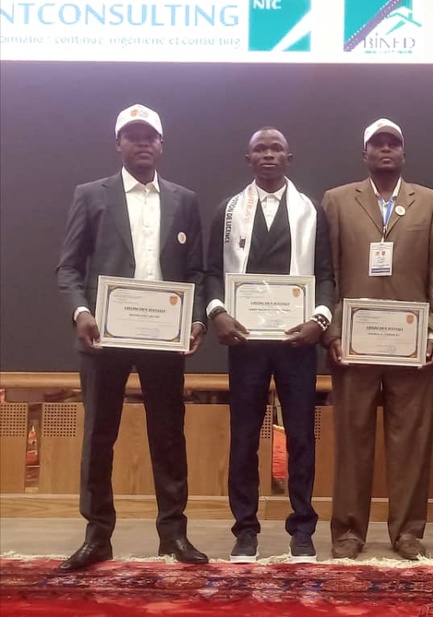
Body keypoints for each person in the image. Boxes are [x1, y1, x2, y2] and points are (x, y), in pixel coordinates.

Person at [56, 104, 208, 571]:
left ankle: (174, 535)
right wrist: (81, 311)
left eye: (150, 137)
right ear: (118, 143)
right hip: (105, 336)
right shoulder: (91, 195)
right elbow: (68, 268)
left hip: (164, 336)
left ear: (161, 145)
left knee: (169, 434)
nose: (142, 143)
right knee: (100, 435)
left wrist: (197, 317)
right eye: (132, 136)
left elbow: (198, 271)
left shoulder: (184, 200)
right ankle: (97, 536)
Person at [204, 127, 335, 563]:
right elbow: (209, 273)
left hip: (297, 341)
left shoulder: (311, 211)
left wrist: (320, 319)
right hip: (244, 341)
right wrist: (217, 311)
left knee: (300, 436)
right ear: (248, 158)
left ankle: (302, 530)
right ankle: (245, 531)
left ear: (289, 156)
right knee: (244, 437)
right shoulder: (227, 211)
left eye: (275, 148)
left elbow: (327, 273)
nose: (267, 154)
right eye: (259, 148)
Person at [321, 119, 433, 560]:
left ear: (404, 153)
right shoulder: (337, 201)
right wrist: (332, 328)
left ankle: (408, 532)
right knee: (352, 439)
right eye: (378, 143)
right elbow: (329, 273)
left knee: (411, 439)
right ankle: (348, 533)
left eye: (394, 142)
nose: (386, 149)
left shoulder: (430, 202)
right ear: (365, 153)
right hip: (352, 344)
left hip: (412, 346)